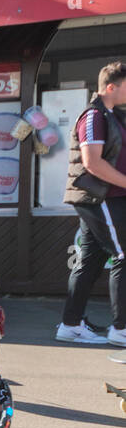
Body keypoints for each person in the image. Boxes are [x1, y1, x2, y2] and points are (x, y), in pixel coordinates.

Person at [57, 62, 126, 345]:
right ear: (112, 87)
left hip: (106, 197)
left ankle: (70, 325)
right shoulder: (94, 116)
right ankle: (121, 330)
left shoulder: (112, 115)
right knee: (123, 256)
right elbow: (92, 162)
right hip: (100, 198)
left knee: (89, 262)